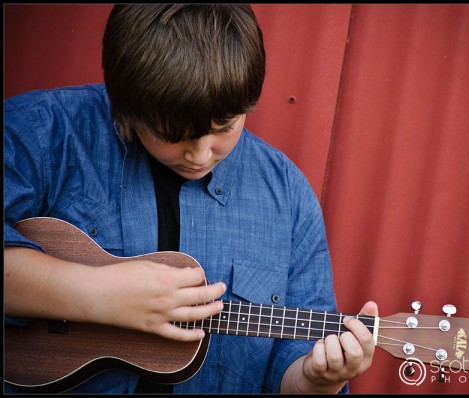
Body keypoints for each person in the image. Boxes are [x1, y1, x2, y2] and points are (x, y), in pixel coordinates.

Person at [4, 4, 377, 394]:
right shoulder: (46, 132)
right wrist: (99, 296)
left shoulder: (288, 197)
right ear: (126, 106)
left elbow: (288, 370)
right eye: (173, 135)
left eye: (224, 128)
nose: (200, 155)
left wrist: (318, 380)